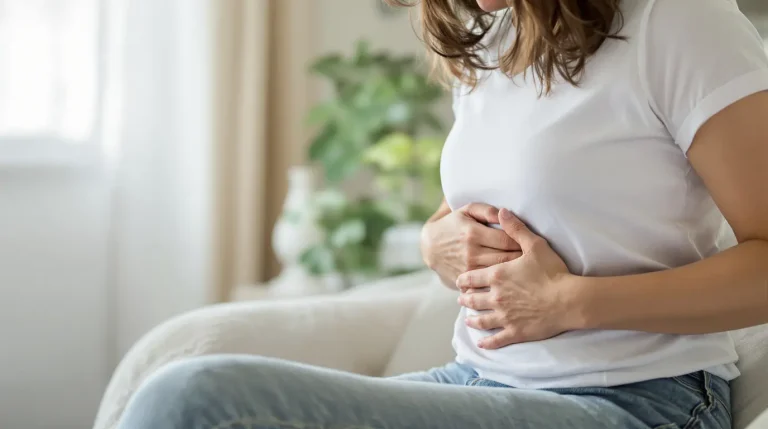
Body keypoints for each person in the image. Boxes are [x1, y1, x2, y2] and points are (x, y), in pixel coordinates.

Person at [117, 0, 768, 428]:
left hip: (635, 401)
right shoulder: (496, 40)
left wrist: (573, 303)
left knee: (194, 399)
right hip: (481, 379)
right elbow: (471, 210)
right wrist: (438, 244)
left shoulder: (677, 20)